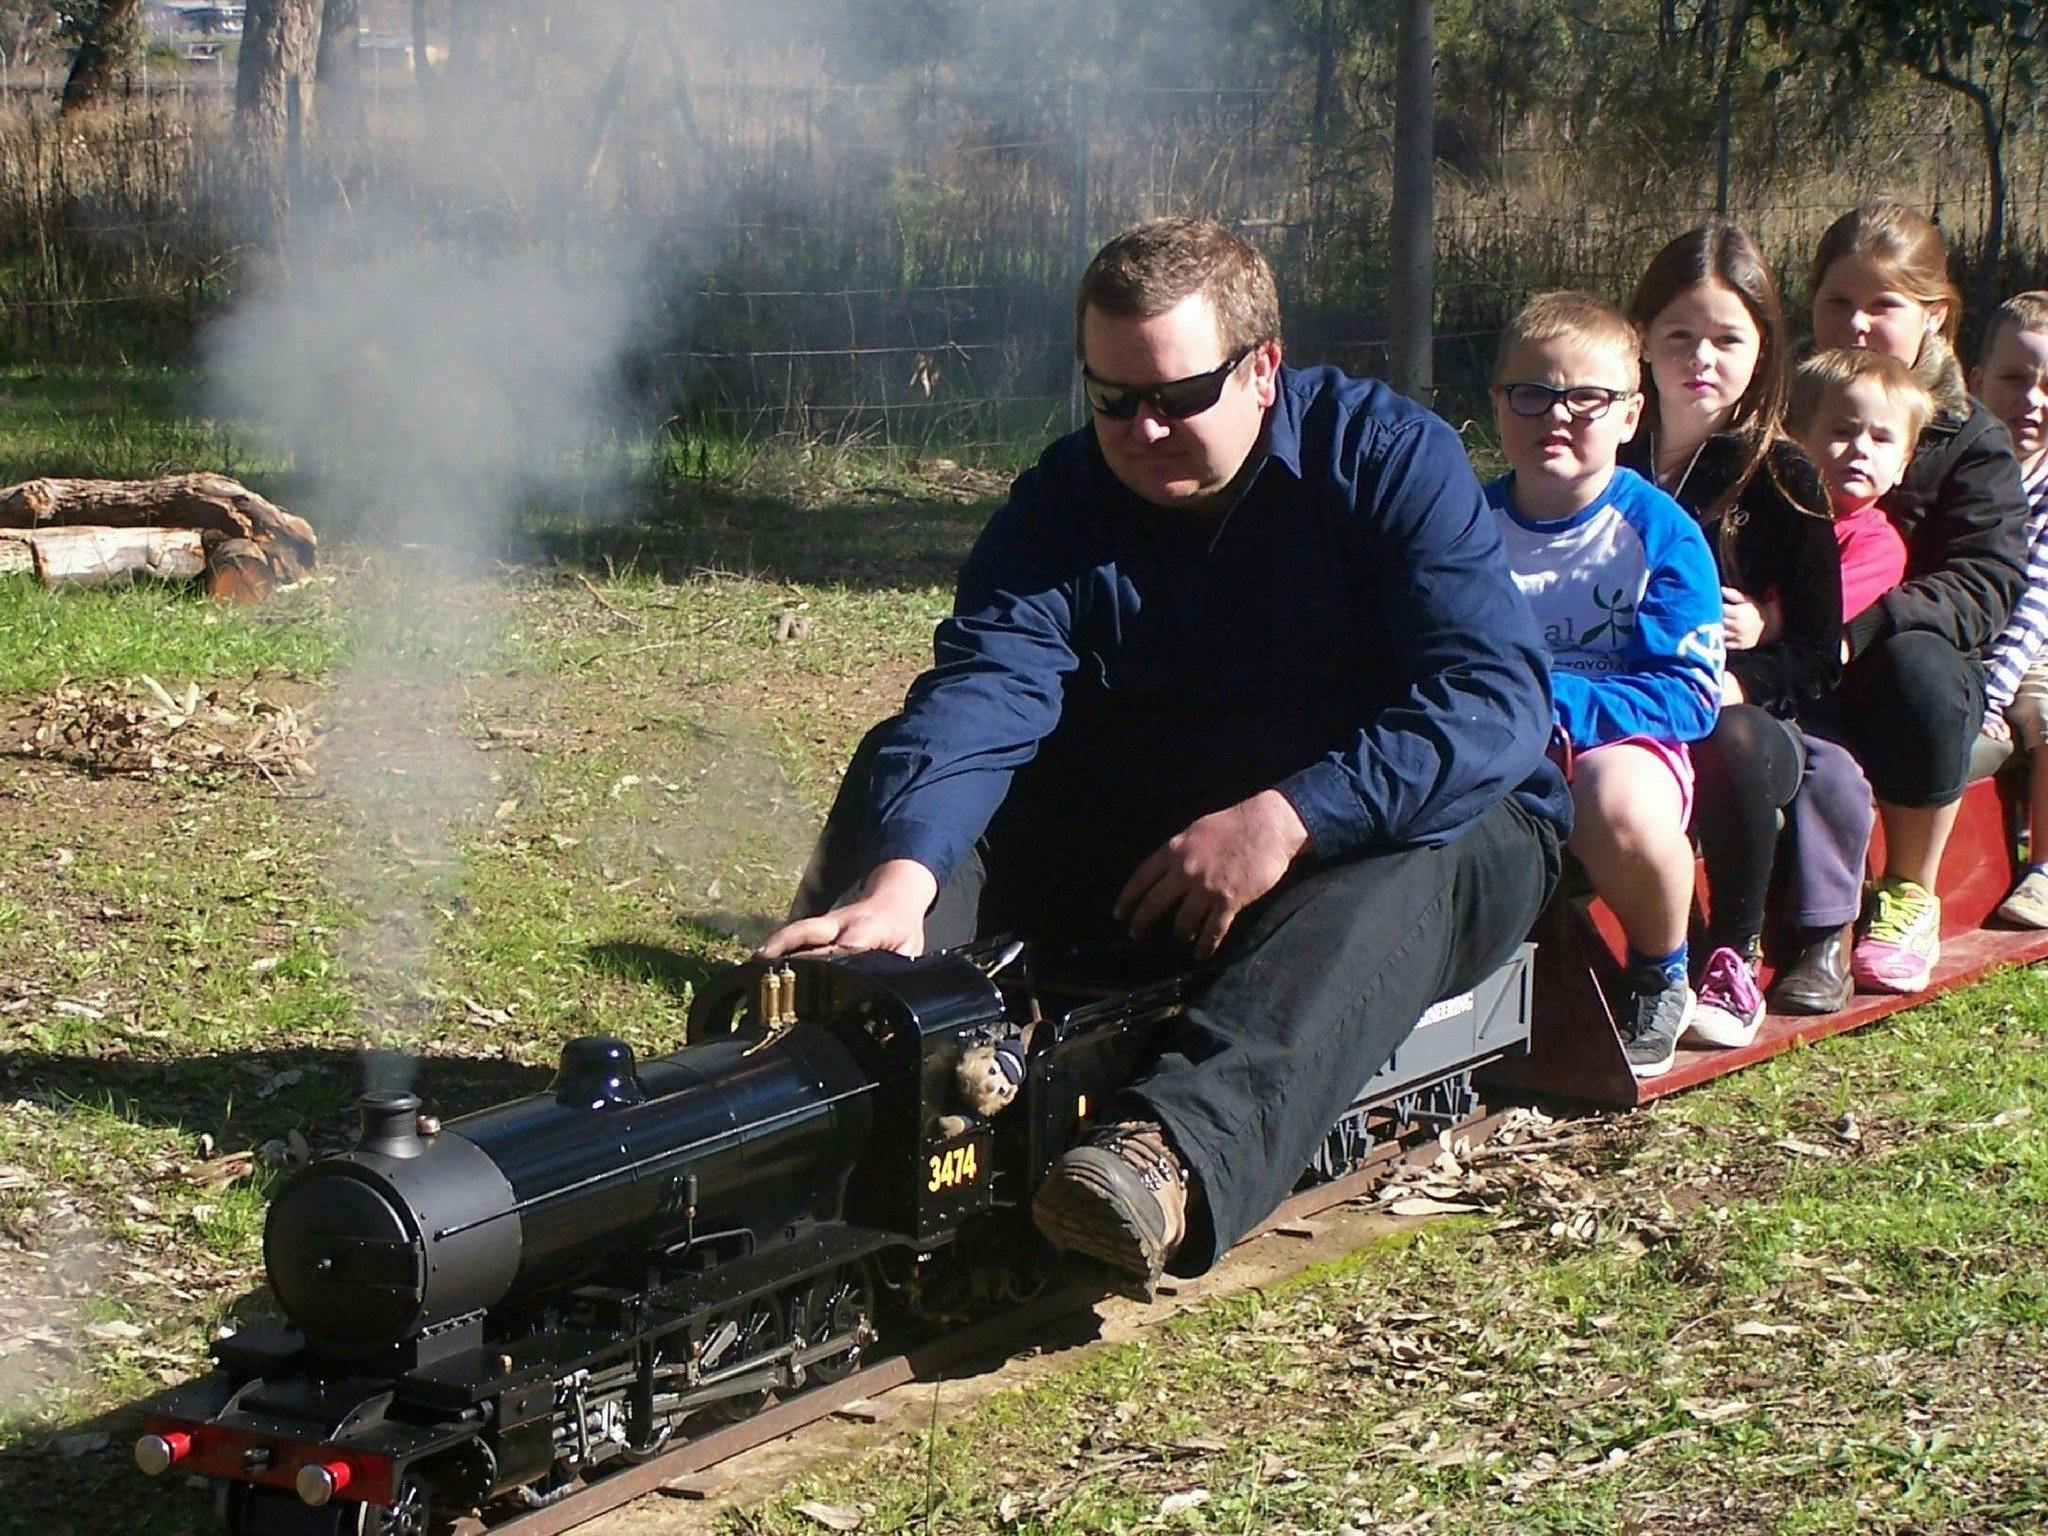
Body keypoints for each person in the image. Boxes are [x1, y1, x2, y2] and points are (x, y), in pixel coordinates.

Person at [758, 216, 1568, 1299]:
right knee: (907, 780)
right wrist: (904, 880)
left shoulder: (1384, 458)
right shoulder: (1058, 503)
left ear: (1262, 368)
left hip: (1414, 830)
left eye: (1176, 399)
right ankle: (826, 1071)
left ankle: (1168, 1152)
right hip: (1175, 810)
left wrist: (1287, 817)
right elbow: (985, 688)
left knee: (1409, 853)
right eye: (1110, 401)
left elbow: (1488, 703)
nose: (1140, 431)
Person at [1482, 291, 1723, 1079]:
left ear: (1630, 414)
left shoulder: (1660, 532)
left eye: (1587, 398)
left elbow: (1688, 694)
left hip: (1621, 746)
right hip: (1487, 738)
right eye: (1533, 394)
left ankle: (1660, 966)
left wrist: (1555, 707)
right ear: (1497, 404)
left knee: (1612, 796)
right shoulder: (1464, 526)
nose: (1557, 415)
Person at [1623, 224, 1843, 1041]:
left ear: (1763, 350)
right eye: (1679, 335)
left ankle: (1731, 952)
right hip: (1616, 697)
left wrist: (1743, 674)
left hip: (1742, 719)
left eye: (1727, 339)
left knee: (1730, 734)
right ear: (1640, 337)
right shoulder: (1600, 450)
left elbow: (1821, 654)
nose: (1700, 359)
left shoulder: (1782, 476)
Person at [1806, 203, 2029, 992]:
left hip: (1909, 665)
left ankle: (1909, 888)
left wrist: (1870, 625)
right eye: (1838, 302)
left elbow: (1986, 581)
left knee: (1918, 670)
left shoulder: (1969, 437)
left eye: (1883, 304)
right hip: (1784, 642)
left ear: (1933, 315)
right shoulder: (1787, 407)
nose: (1857, 324)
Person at [1968, 294, 2048, 925]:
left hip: (2032, 643)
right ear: (1976, 382)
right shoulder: (1964, 464)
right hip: (1972, 639)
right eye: (2014, 379)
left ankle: (2044, 867)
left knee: (2047, 713)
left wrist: (1991, 696)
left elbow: (2033, 608)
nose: (2033, 400)